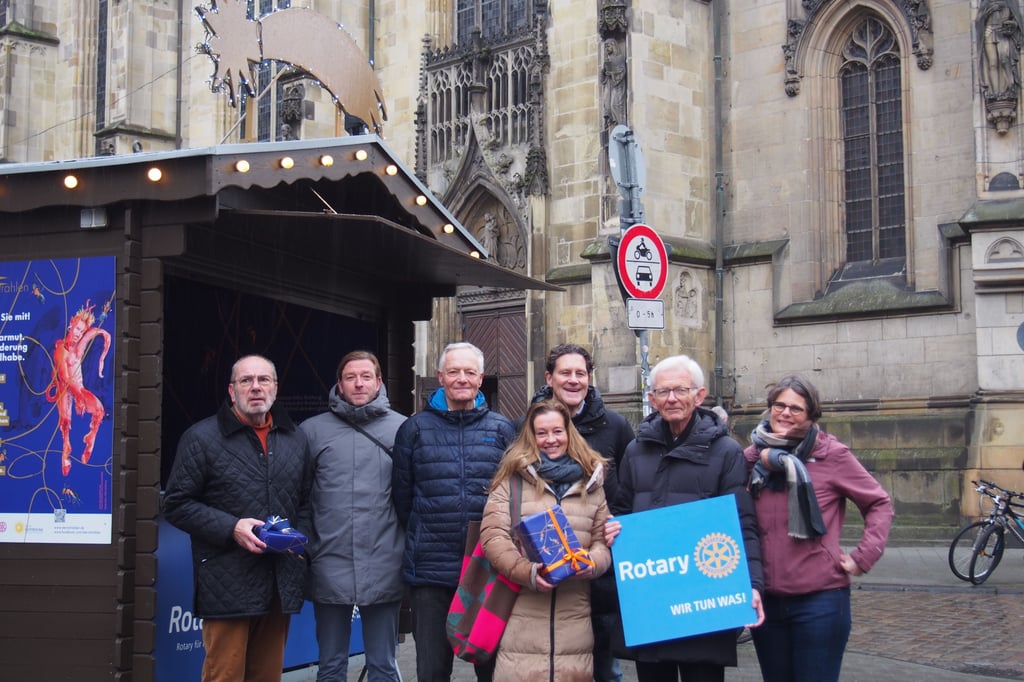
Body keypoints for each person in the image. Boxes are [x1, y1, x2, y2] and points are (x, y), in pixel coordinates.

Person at [605, 354, 764, 682]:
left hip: (703, 598)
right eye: (663, 392)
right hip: (652, 599)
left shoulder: (726, 451)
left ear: (699, 395)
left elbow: (742, 522)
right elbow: (621, 510)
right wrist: (614, 530)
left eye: (680, 390)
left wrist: (752, 584)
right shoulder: (635, 451)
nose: (672, 398)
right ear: (652, 399)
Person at [163, 354, 313, 682]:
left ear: (275, 388)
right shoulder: (201, 438)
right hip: (227, 582)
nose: (256, 387)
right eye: (246, 380)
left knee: (267, 676)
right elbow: (175, 504)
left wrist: (299, 542)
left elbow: (305, 502)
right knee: (225, 676)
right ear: (232, 391)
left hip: (278, 581)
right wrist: (231, 527)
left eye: (263, 380)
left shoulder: (295, 438)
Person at [744, 375, 893, 682]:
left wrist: (864, 556)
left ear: (811, 415)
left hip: (820, 601)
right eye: (779, 405)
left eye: (796, 408)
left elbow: (879, 503)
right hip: (766, 601)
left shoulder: (831, 455)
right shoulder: (750, 458)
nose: (785, 413)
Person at [391, 341, 517, 682]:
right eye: (454, 371)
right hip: (430, 568)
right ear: (440, 376)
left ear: (480, 379)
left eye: (470, 372)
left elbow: (514, 495)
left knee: (492, 668)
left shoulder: (501, 429)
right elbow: (403, 497)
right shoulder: (414, 429)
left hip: (487, 566)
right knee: (432, 670)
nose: (462, 378)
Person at [480, 399, 612, 680]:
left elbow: (603, 541)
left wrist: (591, 563)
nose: (551, 440)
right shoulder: (512, 480)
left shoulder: (591, 483)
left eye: (557, 431)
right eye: (542, 433)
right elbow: (493, 537)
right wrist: (527, 572)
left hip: (575, 620)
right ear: (531, 436)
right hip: (520, 616)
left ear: (568, 433)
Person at [526, 343, 633, 682]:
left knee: (605, 669)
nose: (573, 380)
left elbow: (627, 490)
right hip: (542, 576)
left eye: (580, 373)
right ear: (549, 378)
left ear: (589, 378)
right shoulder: (525, 426)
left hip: (598, 572)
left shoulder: (615, 427)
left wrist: (617, 524)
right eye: (565, 373)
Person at [300, 351, 407, 681]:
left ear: (379, 382)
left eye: (365, 376)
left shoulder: (404, 429)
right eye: (351, 377)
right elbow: (300, 498)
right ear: (340, 384)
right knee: (331, 665)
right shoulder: (311, 432)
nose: (359, 383)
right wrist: (309, 547)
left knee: (383, 664)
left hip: (384, 560)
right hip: (329, 559)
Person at [46, 299, 112, 476]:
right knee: (65, 421)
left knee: (99, 411)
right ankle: (65, 451)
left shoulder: (80, 346)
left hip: (78, 389)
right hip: (66, 389)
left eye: (81, 331)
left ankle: (90, 438)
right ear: (71, 324)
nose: (78, 334)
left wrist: (102, 360)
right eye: (77, 329)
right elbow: (65, 377)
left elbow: (104, 334)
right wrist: (77, 396)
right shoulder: (61, 350)